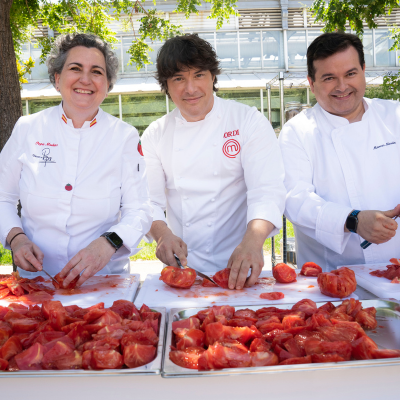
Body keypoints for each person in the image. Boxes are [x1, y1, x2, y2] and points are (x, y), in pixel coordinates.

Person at [0, 33, 152, 287]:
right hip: (37, 282)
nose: (85, 79)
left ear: (107, 84)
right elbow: (2, 195)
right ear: (58, 79)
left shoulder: (124, 136)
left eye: (96, 71)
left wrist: (108, 244)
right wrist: (16, 238)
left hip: (104, 282)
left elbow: (139, 210)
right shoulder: (28, 128)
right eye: (75, 68)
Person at [141, 34, 286, 290]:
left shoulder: (247, 121)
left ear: (213, 77)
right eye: (178, 79)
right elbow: (148, 202)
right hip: (181, 272)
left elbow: (266, 191)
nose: (191, 88)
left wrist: (253, 242)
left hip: (241, 266)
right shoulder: (156, 133)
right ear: (166, 85)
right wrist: (162, 235)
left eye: (198, 75)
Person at [279, 32, 400, 272]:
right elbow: (295, 200)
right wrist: (352, 220)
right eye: (329, 78)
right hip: (330, 279)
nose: (342, 86)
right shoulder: (297, 131)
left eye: (350, 74)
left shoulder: (395, 116)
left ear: (364, 70)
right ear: (311, 83)